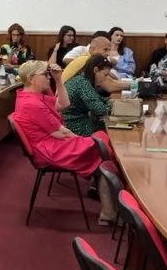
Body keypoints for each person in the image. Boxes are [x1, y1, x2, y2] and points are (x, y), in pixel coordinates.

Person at [12, 60, 116, 225]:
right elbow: (62, 133)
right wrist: (84, 141)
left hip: (54, 142)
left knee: (102, 145)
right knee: (102, 150)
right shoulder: (32, 104)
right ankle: (109, 211)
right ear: (32, 79)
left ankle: (108, 209)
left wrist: (58, 79)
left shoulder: (33, 95)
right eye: (45, 75)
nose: (48, 77)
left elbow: (64, 104)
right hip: (50, 149)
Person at [61, 33, 129, 93]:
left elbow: (111, 79)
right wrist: (133, 85)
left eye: (109, 50)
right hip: (65, 99)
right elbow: (109, 86)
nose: (108, 53)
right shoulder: (87, 60)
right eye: (105, 49)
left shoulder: (92, 59)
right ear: (92, 49)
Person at [63, 55, 112, 136]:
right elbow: (100, 110)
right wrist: (113, 107)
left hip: (75, 121)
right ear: (95, 70)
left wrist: (111, 101)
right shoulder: (83, 84)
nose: (106, 78)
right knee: (109, 130)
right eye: (105, 75)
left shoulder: (82, 79)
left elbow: (97, 98)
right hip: (75, 125)